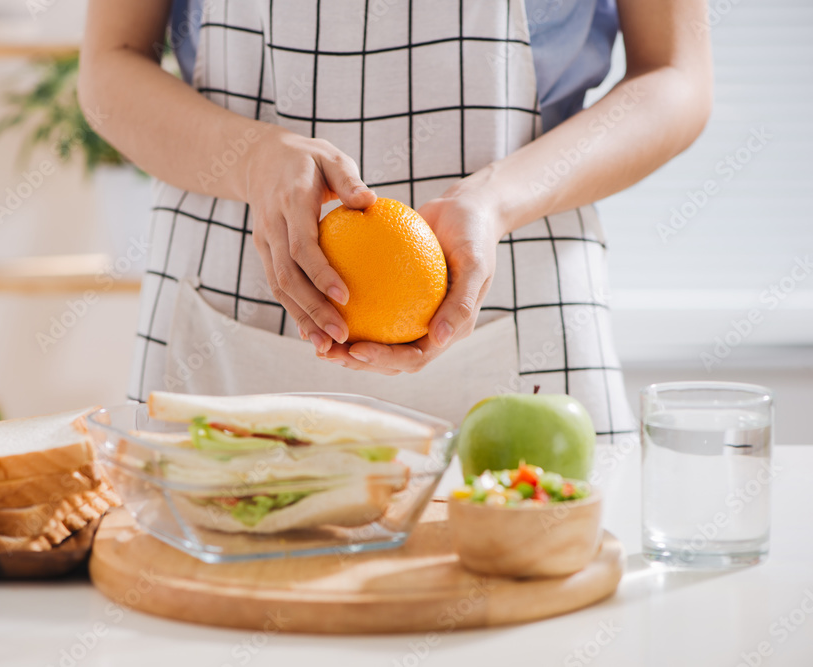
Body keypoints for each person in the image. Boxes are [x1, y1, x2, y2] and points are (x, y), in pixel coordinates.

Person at [79, 0, 712, 443]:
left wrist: (496, 199)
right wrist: (250, 160)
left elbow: (676, 77)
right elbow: (109, 64)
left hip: (527, 296)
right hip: (228, 292)